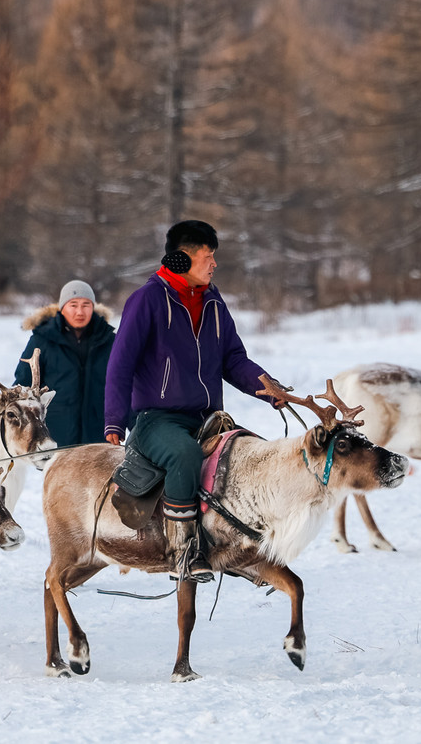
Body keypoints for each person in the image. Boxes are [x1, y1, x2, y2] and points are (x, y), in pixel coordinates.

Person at [104, 219, 281, 582]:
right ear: (182, 259)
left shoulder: (214, 302)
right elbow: (120, 365)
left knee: (246, 450)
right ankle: (183, 552)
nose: (214, 264)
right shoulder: (146, 301)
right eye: (208, 256)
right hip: (158, 419)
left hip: (208, 417)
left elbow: (234, 359)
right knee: (184, 454)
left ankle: (232, 545)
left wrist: (268, 386)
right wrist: (114, 421)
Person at [14, 280, 116, 447]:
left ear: (93, 307)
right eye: (73, 305)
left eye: (86, 305)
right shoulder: (42, 339)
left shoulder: (109, 340)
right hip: (54, 437)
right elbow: (22, 385)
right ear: (62, 308)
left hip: (99, 437)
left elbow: (127, 387)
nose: (80, 311)